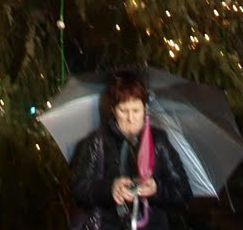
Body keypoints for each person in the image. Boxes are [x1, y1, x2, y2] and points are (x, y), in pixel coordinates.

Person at [70, 72, 194, 230]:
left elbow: (183, 192)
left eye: (136, 110)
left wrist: (156, 188)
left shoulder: (158, 141)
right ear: (113, 110)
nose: (130, 118)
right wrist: (110, 189)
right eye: (123, 111)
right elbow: (79, 191)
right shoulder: (97, 141)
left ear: (145, 109)